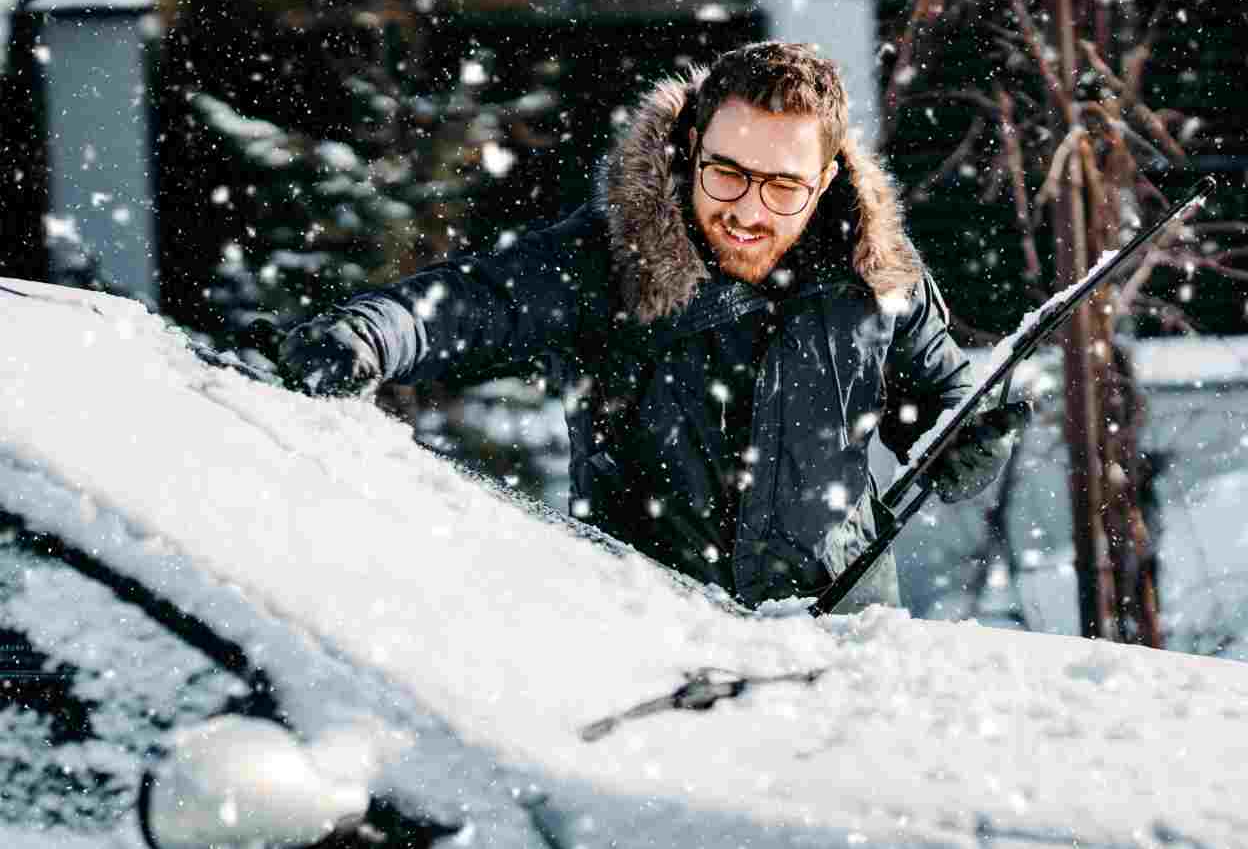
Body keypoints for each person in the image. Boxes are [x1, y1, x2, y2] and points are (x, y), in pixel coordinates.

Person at [278, 42, 1029, 613]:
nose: (747, 210)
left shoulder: (879, 276)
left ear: (825, 181)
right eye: (726, 171)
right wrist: (367, 335)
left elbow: (946, 411)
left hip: (842, 635)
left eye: (783, 186)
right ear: (690, 150)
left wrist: (972, 443)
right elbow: (472, 300)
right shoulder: (612, 257)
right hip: (651, 634)